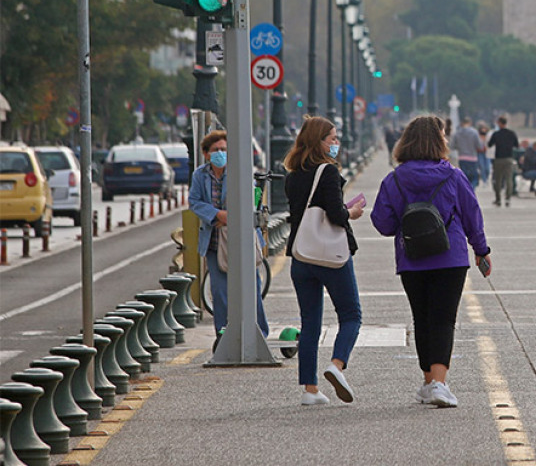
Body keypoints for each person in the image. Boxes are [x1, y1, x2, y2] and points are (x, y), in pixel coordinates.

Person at [370, 115, 491, 408]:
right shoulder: (453, 176)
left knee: (422, 318)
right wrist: (481, 249)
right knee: (443, 318)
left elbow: (383, 224)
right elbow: (471, 214)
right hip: (450, 257)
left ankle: (428, 382)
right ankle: (439, 383)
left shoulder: (394, 179)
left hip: (412, 258)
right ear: (438, 141)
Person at [284, 116, 365, 406]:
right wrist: (351, 213)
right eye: (332, 138)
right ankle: (337, 365)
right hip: (330, 256)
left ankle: (310, 389)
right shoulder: (327, 172)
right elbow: (334, 214)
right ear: (318, 141)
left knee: (310, 324)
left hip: (301, 255)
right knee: (351, 315)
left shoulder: (292, 175)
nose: (336, 143)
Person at [188, 130, 269, 338]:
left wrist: (231, 215)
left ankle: (260, 333)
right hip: (214, 242)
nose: (220, 153)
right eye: (216, 150)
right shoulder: (200, 175)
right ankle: (223, 336)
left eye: (224, 149)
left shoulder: (240, 171)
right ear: (206, 153)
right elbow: (194, 202)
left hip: (242, 240)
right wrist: (217, 215)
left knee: (252, 287)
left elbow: (248, 200)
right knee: (220, 292)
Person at [487, 115, 520, 207]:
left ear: (499, 123)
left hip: (498, 159)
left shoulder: (496, 134)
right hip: (509, 158)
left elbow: (489, 144)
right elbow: (517, 145)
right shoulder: (512, 133)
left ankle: (498, 199)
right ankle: (508, 198)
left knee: (498, 180)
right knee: (509, 179)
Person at [451, 117, 480, 187]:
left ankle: (467, 190)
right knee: (474, 177)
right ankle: (472, 189)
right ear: (470, 123)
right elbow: (479, 145)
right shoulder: (474, 132)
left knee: (464, 177)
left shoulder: (457, 133)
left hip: (462, 157)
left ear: (462, 123)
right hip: (472, 158)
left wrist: (460, 147)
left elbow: (452, 146)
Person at [475, 122, 491, 187]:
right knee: (482, 167)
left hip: (487, 153)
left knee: (487, 168)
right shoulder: (477, 136)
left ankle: (486, 177)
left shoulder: (488, 136)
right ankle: (484, 180)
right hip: (480, 153)